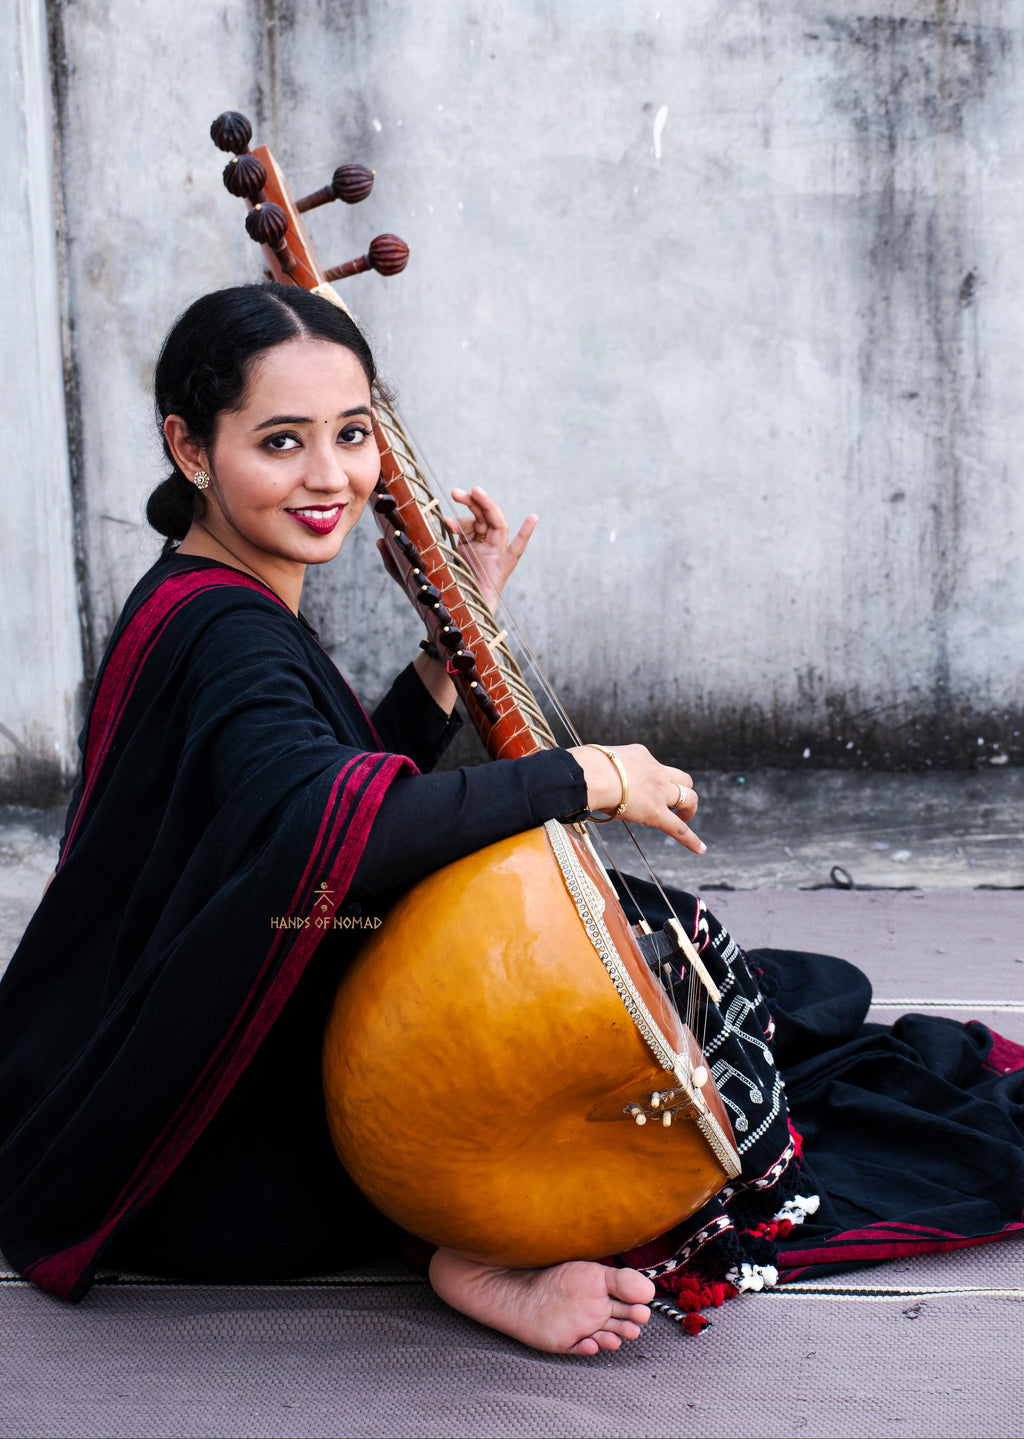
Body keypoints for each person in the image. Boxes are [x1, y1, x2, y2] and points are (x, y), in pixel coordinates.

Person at [1, 284, 1021, 1353]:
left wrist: (448, 654)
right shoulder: (232, 636)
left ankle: (459, 1231)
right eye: (280, 441)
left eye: (352, 435)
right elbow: (322, 829)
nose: (329, 477)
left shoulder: (195, 592)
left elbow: (311, 796)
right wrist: (584, 774)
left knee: (696, 974)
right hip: (216, 1162)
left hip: (168, 1082)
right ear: (191, 445)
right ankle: (465, 1245)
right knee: (673, 1041)